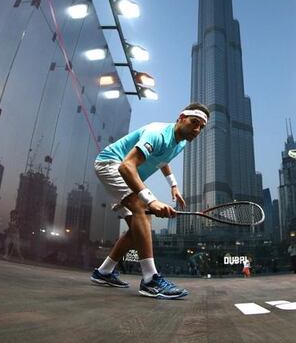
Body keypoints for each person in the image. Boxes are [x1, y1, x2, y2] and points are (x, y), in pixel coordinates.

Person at [89, 103, 209, 299]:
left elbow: (163, 158)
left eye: (201, 127)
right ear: (181, 117)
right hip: (111, 164)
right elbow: (127, 166)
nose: (197, 130)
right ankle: (150, 279)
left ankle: (103, 272)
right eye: (194, 122)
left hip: (125, 172)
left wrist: (173, 185)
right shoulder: (158, 132)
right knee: (143, 208)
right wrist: (151, 201)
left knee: (136, 229)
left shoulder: (182, 141)